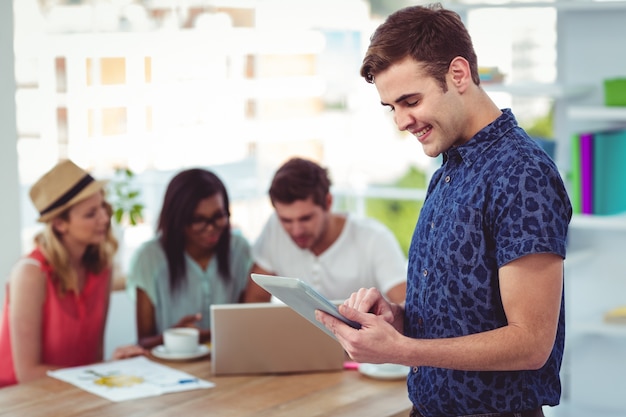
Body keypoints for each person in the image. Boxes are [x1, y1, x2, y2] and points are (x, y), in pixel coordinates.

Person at [315, 4, 572, 417]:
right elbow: (463, 312)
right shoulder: (447, 171)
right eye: (391, 107)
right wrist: (398, 319)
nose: (401, 121)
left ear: (458, 74)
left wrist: (402, 350)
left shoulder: (523, 175)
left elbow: (530, 344)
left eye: (410, 100)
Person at [0, 160, 144, 388]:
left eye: (102, 208)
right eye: (90, 214)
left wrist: (110, 366)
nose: (105, 219)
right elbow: (27, 373)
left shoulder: (102, 268)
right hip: (22, 400)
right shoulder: (30, 274)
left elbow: (93, 356)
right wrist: (102, 371)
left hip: (76, 394)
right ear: (59, 224)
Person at [244, 157, 407, 304]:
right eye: (286, 220)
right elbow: (255, 299)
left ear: (328, 202)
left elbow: (405, 305)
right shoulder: (274, 228)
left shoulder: (375, 238)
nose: (296, 231)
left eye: (305, 218)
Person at [126, 168, 254, 349]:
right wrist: (175, 334)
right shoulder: (149, 258)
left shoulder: (240, 249)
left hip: (229, 359)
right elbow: (143, 342)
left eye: (218, 216)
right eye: (198, 220)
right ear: (177, 220)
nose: (211, 228)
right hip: (171, 367)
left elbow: (248, 322)